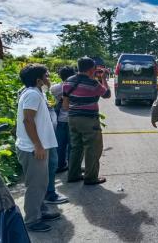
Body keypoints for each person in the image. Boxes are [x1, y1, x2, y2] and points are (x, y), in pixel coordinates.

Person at [15, 64, 61, 232]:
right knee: (35, 185)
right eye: (46, 76)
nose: (48, 78)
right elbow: (28, 121)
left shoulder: (35, 92)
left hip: (36, 146)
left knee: (41, 182)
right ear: (38, 80)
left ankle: (39, 211)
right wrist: (38, 145)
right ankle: (32, 220)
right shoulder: (32, 95)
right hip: (32, 148)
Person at [65, 57, 109, 185]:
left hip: (72, 118)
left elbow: (65, 103)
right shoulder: (93, 83)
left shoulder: (68, 81)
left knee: (76, 147)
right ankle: (91, 178)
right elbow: (107, 94)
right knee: (93, 148)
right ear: (91, 69)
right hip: (89, 120)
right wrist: (104, 79)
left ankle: (73, 174)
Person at [50, 66, 76, 173]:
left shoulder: (55, 88)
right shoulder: (76, 87)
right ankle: (73, 166)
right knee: (73, 145)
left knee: (60, 144)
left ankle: (59, 165)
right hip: (73, 119)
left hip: (60, 119)